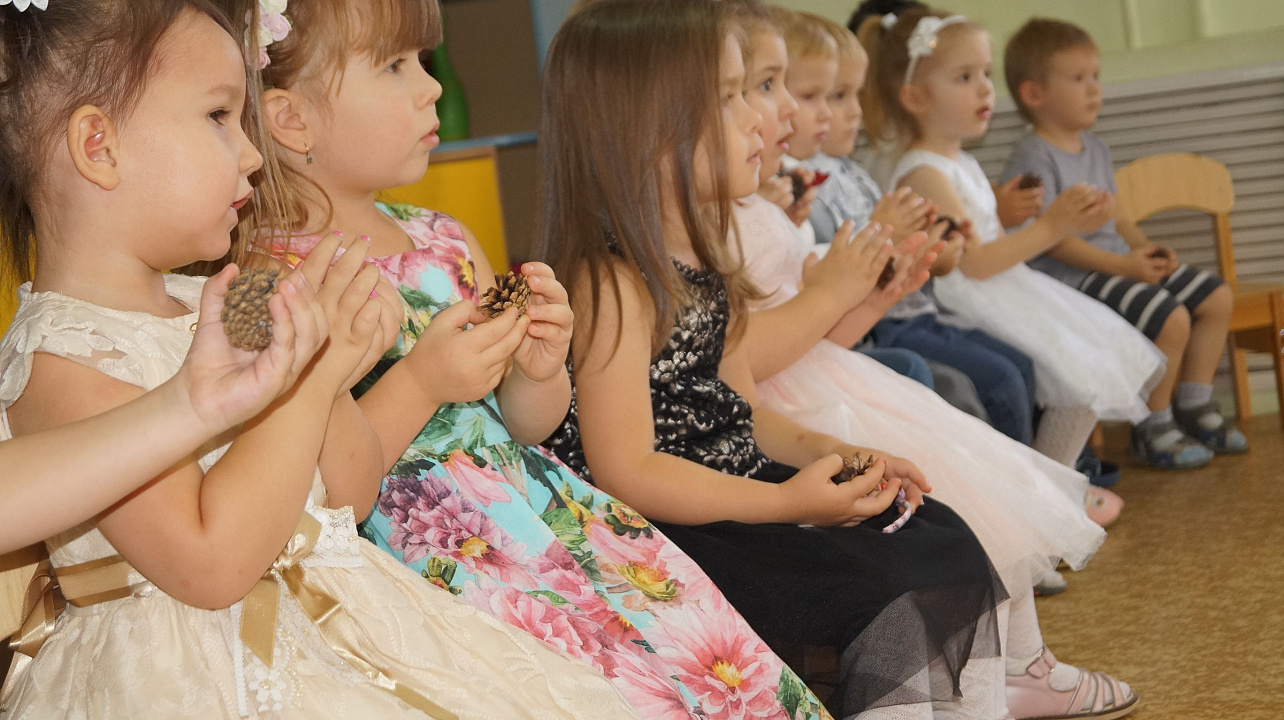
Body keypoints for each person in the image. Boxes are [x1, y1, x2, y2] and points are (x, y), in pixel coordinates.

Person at [0, 2, 641, 716]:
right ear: (100, 146)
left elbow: (348, 493)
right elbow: (211, 565)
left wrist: (328, 369)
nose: (250, 154)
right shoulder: (63, 359)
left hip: (340, 618)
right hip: (200, 675)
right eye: (218, 117)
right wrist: (303, 387)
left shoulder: (221, 298)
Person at [252, 0, 827, 715]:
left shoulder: (443, 237)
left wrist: (540, 366)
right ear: (291, 120)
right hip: (436, 555)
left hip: (548, 514)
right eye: (395, 67)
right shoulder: (273, 281)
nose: (432, 88)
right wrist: (425, 380)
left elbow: (525, 426)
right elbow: (325, 490)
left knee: (706, 668)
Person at [539, 1, 1012, 717]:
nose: (763, 118)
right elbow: (626, 470)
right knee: (874, 586)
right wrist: (788, 502)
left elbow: (742, 408)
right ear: (647, 131)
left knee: (937, 537)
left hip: (736, 481)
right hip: (670, 524)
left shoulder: (709, 253)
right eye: (730, 99)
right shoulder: (610, 281)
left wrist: (839, 452)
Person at [859, 7, 1166, 469]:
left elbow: (996, 239)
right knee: (1073, 383)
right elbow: (975, 262)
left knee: (1085, 382)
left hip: (1008, 286)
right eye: (964, 77)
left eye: (985, 73)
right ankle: (1045, 489)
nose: (986, 87)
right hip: (970, 300)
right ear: (916, 96)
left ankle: (1055, 488)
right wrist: (1051, 227)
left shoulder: (962, 162)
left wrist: (1060, 223)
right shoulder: (924, 171)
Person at [1000, 17, 1245, 468]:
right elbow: (1049, 243)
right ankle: (1153, 425)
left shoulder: (1096, 148)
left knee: (1216, 297)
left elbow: (1118, 216)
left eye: (1095, 76)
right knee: (1170, 317)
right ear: (1034, 94)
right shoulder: (1032, 157)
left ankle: (1193, 403)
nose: (1094, 89)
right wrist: (1124, 267)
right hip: (1071, 277)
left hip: (1115, 263)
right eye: (1078, 79)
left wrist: (1145, 250)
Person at [0, 263, 327, 554]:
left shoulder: (198, 293)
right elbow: (209, 565)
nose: (246, 191)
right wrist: (312, 383)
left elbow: (340, 504)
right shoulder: (64, 353)